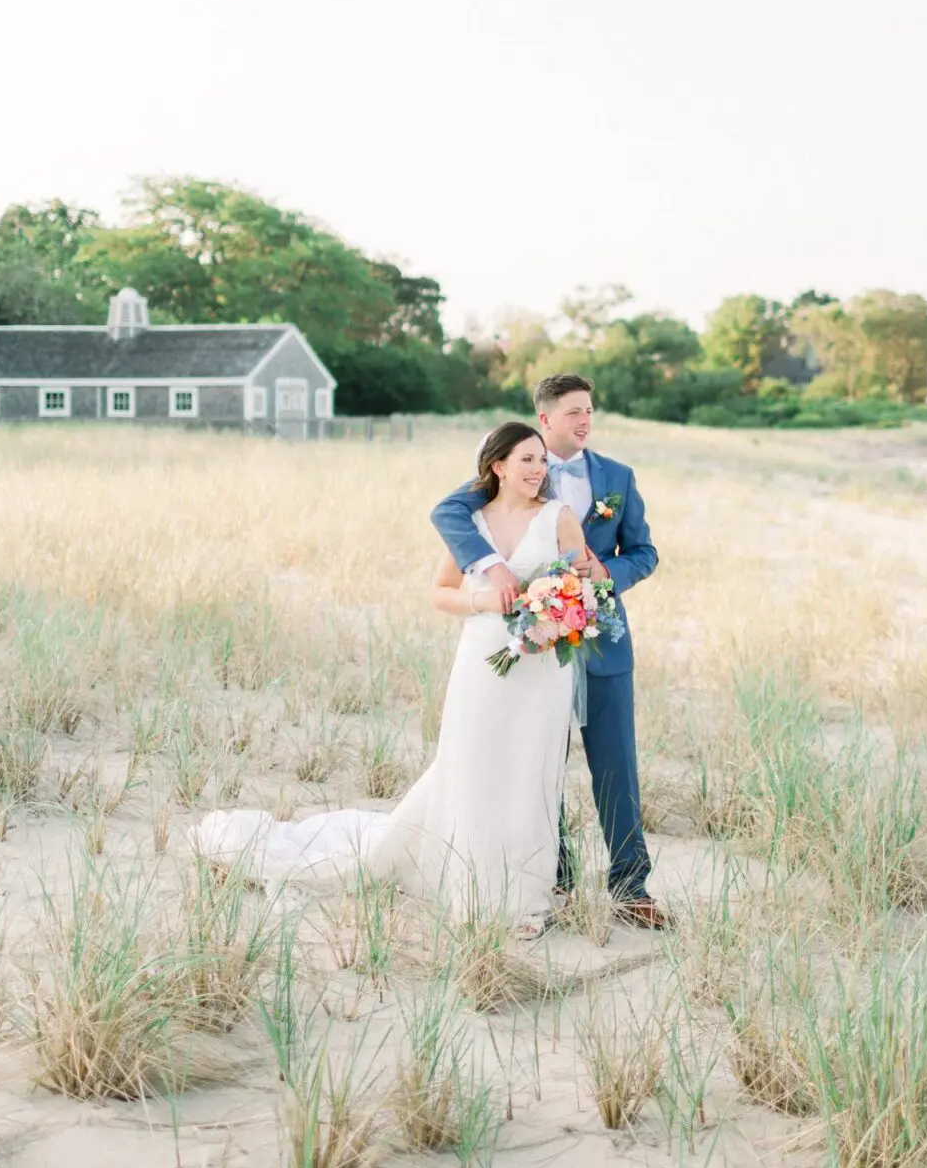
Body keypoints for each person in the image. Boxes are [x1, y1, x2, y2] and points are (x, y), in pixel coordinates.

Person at [188, 421, 593, 939]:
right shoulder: (470, 522)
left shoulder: (559, 518)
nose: (539, 470)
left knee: (531, 773)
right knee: (474, 766)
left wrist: (561, 609)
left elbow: (584, 582)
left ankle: (525, 900)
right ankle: (468, 886)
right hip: (483, 657)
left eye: (542, 461)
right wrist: (486, 600)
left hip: (542, 667)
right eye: (527, 461)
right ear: (498, 467)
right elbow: (440, 592)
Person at [430, 373, 670, 931]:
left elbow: (645, 552)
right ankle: (552, 882)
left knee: (617, 767)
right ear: (545, 419)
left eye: (589, 411)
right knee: (533, 762)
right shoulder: (506, 474)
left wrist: (604, 570)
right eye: (573, 413)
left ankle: (631, 887)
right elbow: (447, 515)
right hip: (528, 651)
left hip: (600, 638)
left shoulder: (617, 477)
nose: (585, 420)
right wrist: (490, 574)